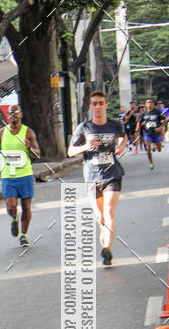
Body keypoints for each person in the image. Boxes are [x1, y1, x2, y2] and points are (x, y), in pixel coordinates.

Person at [68, 89, 126, 266]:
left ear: (106, 105)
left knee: (109, 211)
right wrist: (86, 145)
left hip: (112, 174)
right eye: (95, 104)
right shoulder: (84, 127)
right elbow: (70, 152)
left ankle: (107, 249)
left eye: (101, 103)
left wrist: (121, 146)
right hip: (92, 177)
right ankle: (104, 239)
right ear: (91, 106)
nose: (98, 107)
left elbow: (123, 138)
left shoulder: (114, 125)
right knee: (100, 216)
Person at [0, 104, 41, 247]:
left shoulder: (28, 133)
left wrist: (29, 148)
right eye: (10, 113)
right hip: (8, 175)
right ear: (8, 116)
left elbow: (38, 153)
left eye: (16, 112)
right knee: (11, 206)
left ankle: (23, 235)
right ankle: (14, 219)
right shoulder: (1, 133)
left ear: (21, 114)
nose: (13, 115)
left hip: (25, 174)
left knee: (26, 207)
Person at [137, 98, 167, 168]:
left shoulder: (158, 111)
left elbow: (165, 119)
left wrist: (160, 127)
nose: (149, 104)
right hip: (147, 132)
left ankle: (156, 146)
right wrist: (137, 127)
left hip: (156, 132)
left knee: (159, 149)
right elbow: (139, 121)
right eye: (148, 103)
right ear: (145, 104)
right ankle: (151, 163)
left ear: (153, 104)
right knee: (148, 148)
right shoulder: (143, 113)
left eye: (151, 102)